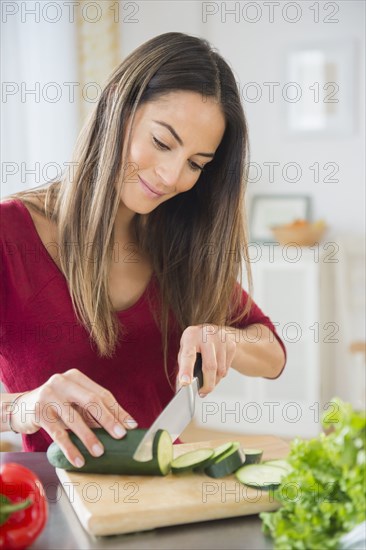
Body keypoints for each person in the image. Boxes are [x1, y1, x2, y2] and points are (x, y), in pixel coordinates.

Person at [0, 32, 286, 468]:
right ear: (118, 106)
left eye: (196, 164)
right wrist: (23, 407)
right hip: (58, 506)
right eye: (162, 142)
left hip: (161, 498)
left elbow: (271, 353)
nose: (173, 176)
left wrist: (226, 339)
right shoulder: (9, 234)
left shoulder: (177, 241)